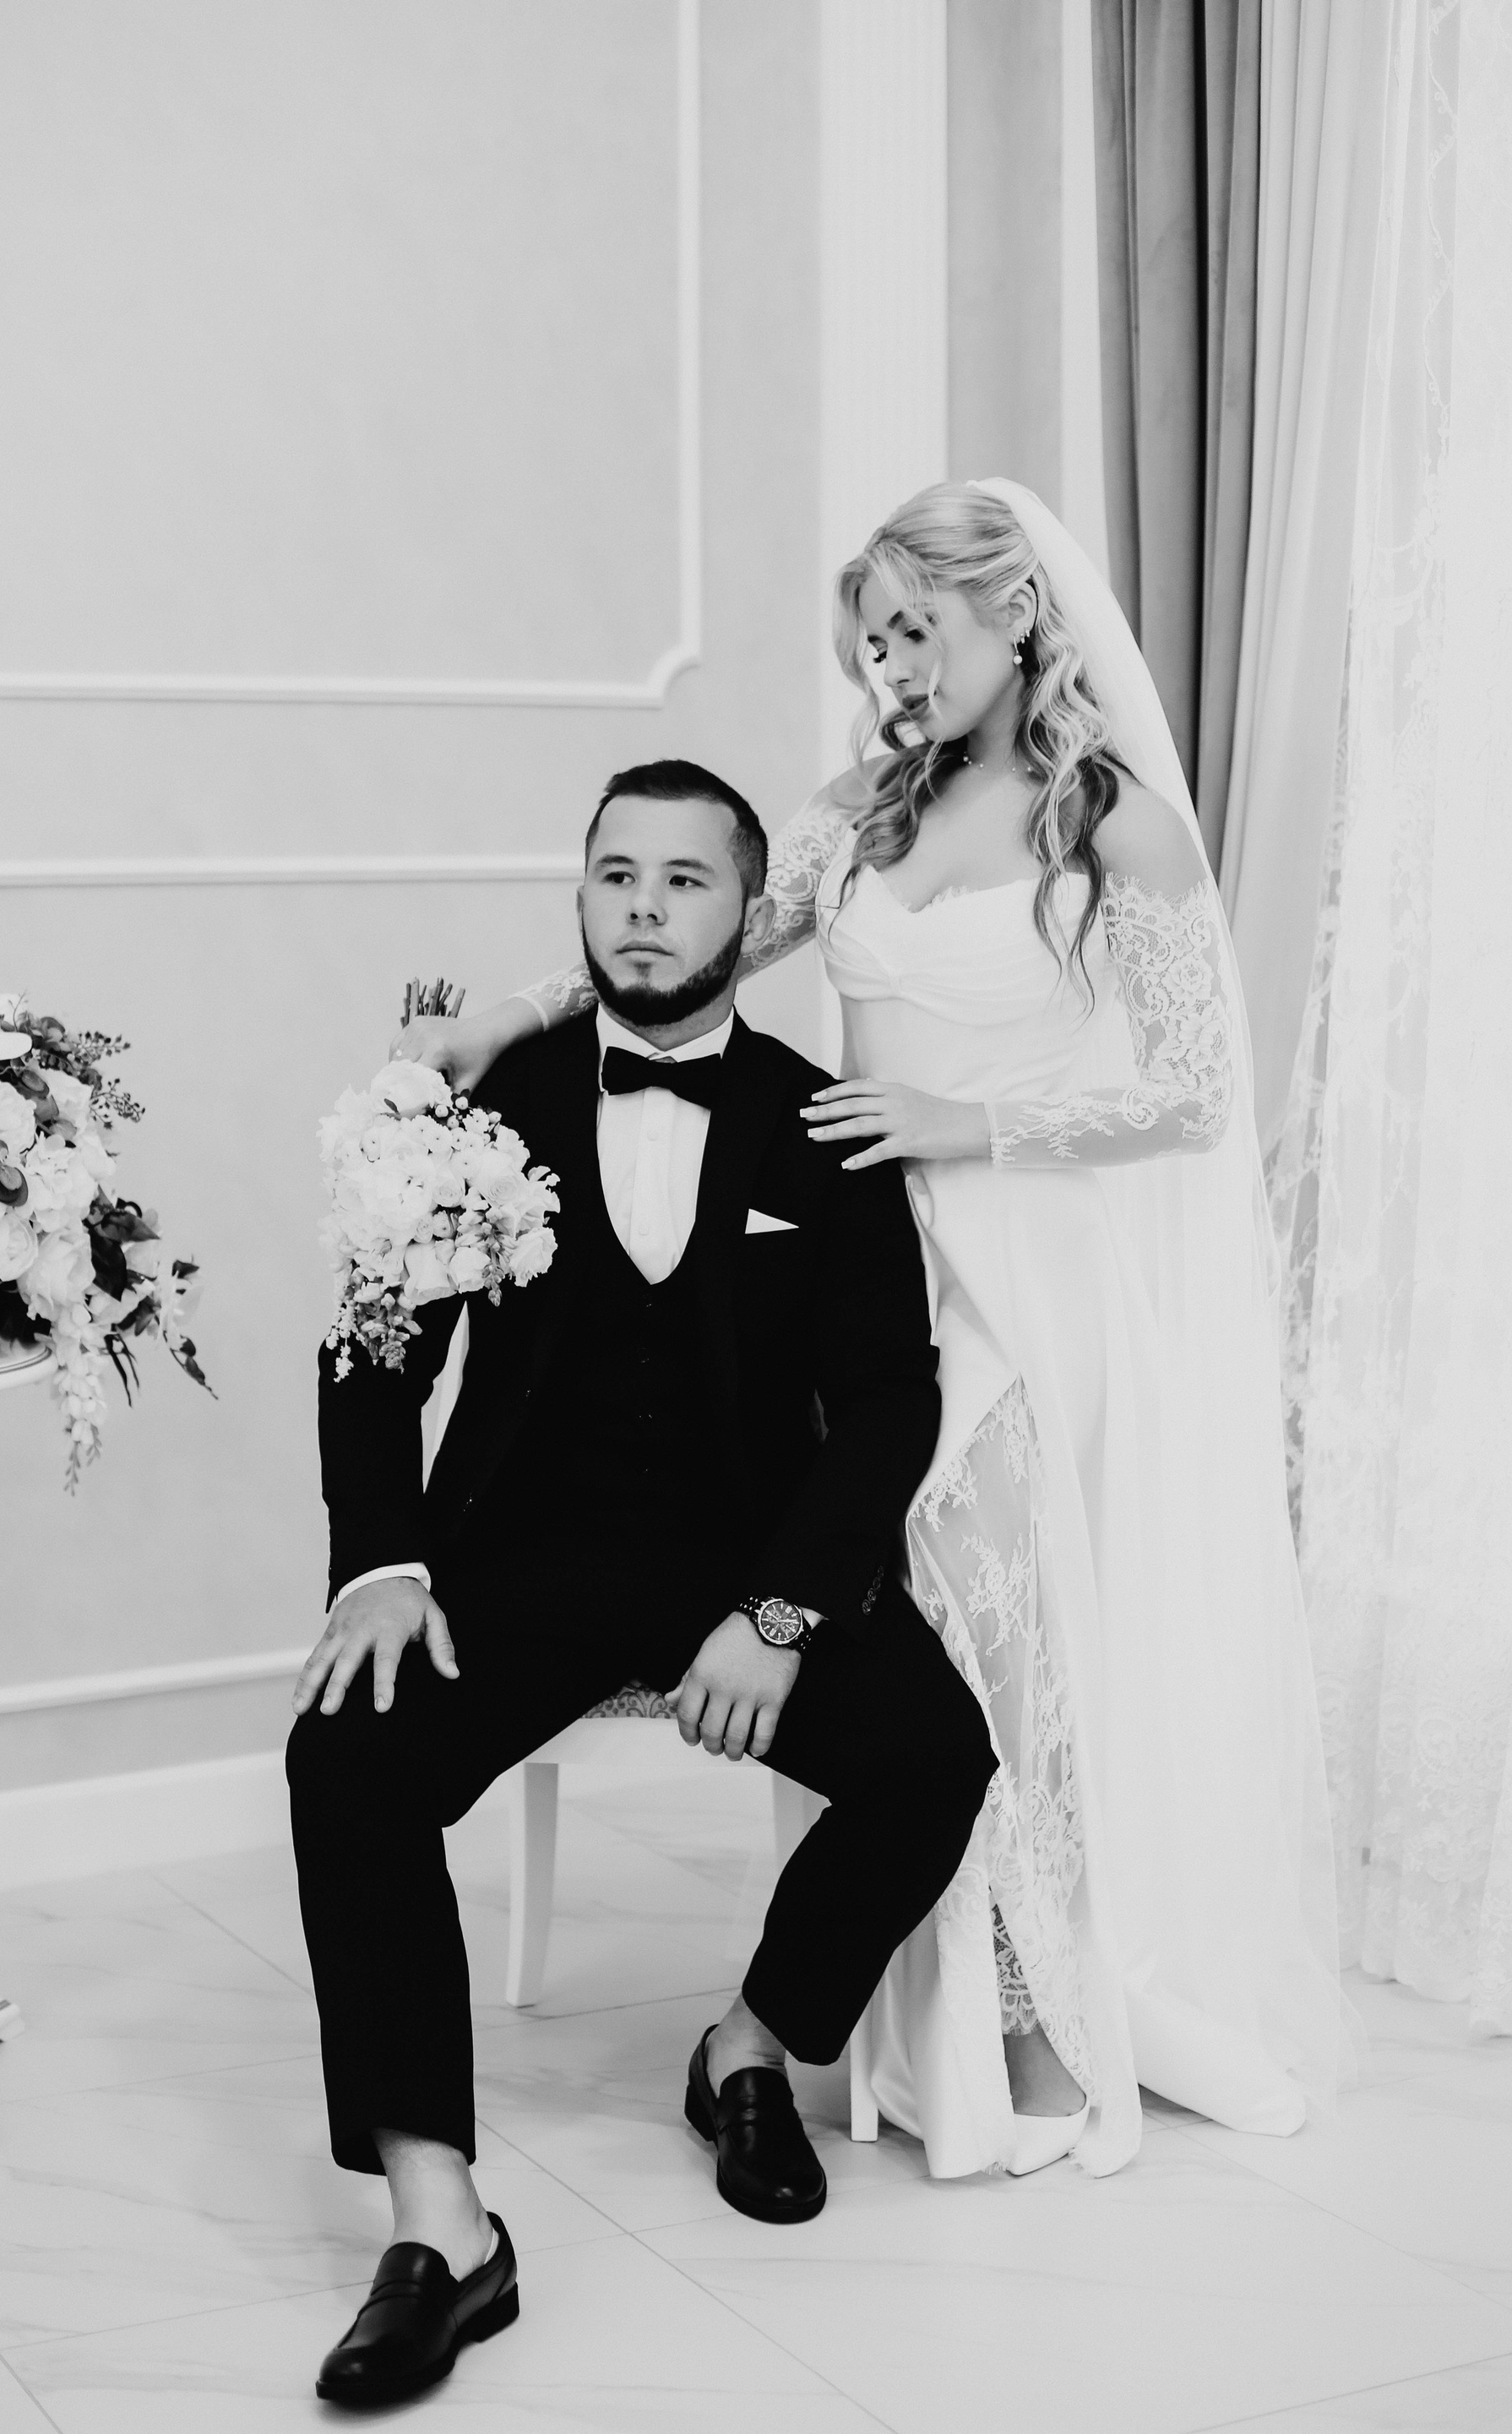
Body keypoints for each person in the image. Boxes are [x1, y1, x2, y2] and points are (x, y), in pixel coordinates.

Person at [399, 482, 1344, 2183]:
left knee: (998, 1641)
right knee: (897, 1621)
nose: (894, 667)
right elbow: (689, 946)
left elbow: (1197, 1092)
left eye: (920, 629)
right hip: (864, 1273)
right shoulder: (859, 814)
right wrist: (508, 1018)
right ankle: (887, 2005)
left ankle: (1026, 2011)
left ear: (1019, 616)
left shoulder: (1116, 823)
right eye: (875, 640)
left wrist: (960, 1122)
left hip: (1025, 1272)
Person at [288, 757, 996, 2409]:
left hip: (746, 1559)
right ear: (581, 898)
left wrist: (782, 1611)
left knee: (936, 1757)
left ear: (750, 912)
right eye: (616, 876)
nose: (645, 909)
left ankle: (750, 2041)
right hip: (521, 1555)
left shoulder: (820, 1129)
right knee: (346, 1752)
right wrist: (381, 1560)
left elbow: (888, 1399)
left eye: (685, 881)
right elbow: (373, 1351)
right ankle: (441, 2225)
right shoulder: (476, 1107)